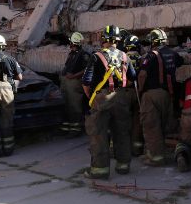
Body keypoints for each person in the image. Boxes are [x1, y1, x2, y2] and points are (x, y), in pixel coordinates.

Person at [81, 26, 135, 178]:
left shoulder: (96, 56)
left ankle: (100, 171)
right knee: (122, 132)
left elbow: (86, 81)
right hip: (121, 97)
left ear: (103, 39)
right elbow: (132, 78)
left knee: (99, 134)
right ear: (118, 40)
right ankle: (123, 166)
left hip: (102, 98)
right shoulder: (125, 56)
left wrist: (92, 97)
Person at [137, 28, 182, 166]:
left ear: (152, 41)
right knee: (161, 126)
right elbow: (180, 62)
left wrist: (140, 89)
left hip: (152, 94)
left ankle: (156, 158)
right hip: (167, 94)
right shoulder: (171, 54)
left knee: (151, 126)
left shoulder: (151, 55)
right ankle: (158, 152)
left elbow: (143, 74)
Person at [174, 51, 191, 172]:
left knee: (184, 141)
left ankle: (182, 156)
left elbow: (180, 103)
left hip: (188, 114)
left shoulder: (186, 82)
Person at [59, 32, 91, 136]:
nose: (70, 45)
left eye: (71, 43)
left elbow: (86, 69)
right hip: (66, 82)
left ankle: (75, 130)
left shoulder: (84, 54)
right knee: (66, 105)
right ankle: (66, 128)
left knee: (75, 106)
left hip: (75, 83)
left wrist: (74, 76)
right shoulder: (72, 53)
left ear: (74, 43)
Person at [124, 34, 144, 156]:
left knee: (121, 121)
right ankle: (136, 148)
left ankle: (116, 148)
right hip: (137, 92)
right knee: (137, 121)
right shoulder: (142, 58)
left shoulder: (121, 57)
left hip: (123, 92)